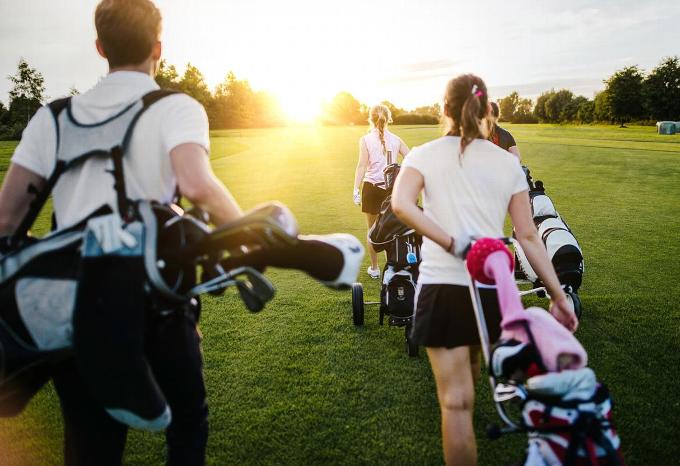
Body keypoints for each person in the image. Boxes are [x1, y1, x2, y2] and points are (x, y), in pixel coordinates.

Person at [0, 0, 361, 464]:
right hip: (161, 302)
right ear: (158, 48)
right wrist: (253, 240)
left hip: (81, 307)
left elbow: (8, 224)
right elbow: (196, 184)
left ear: (99, 47)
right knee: (188, 423)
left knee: (91, 444)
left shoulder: (51, 119)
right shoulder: (175, 107)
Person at [391, 74, 578, 466]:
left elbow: (401, 205)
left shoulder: (422, 154)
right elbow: (528, 237)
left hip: (442, 290)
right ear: (486, 108)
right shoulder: (507, 162)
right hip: (492, 291)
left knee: (456, 403)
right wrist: (559, 296)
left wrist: (448, 242)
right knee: (470, 384)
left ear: (444, 109)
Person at [352, 104, 409, 278]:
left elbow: (362, 166)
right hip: (392, 191)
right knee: (391, 230)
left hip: (371, 189)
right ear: (389, 118)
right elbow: (410, 157)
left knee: (372, 230)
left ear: (370, 118)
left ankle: (375, 269)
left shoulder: (365, 139)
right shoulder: (396, 139)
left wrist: (355, 189)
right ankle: (391, 268)